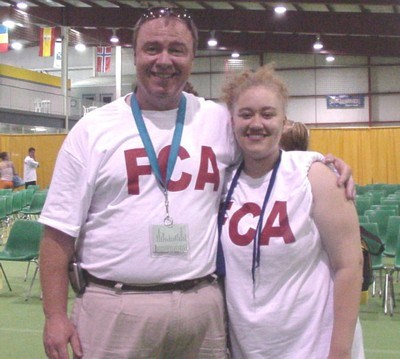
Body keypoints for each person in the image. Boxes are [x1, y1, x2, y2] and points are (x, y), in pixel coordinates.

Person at [38, 7, 355, 359]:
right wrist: (54, 315)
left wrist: (321, 163)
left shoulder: (217, 120)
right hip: (115, 306)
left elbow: (264, 149)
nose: (163, 60)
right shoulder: (92, 130)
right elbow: (58, 233)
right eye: (152, 48)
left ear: (192, 57)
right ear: (134, 54)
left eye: (176, 49)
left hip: (201, 308)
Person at [219, 64, 364, 358]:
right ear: (232, 120)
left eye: (268, 114)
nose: (256, 123)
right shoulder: (221, 183)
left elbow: (350, 266)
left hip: (314, 346)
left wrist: (340, 352)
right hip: (248, 347)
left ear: (284, 122)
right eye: (246, 114)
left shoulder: (316, 176)